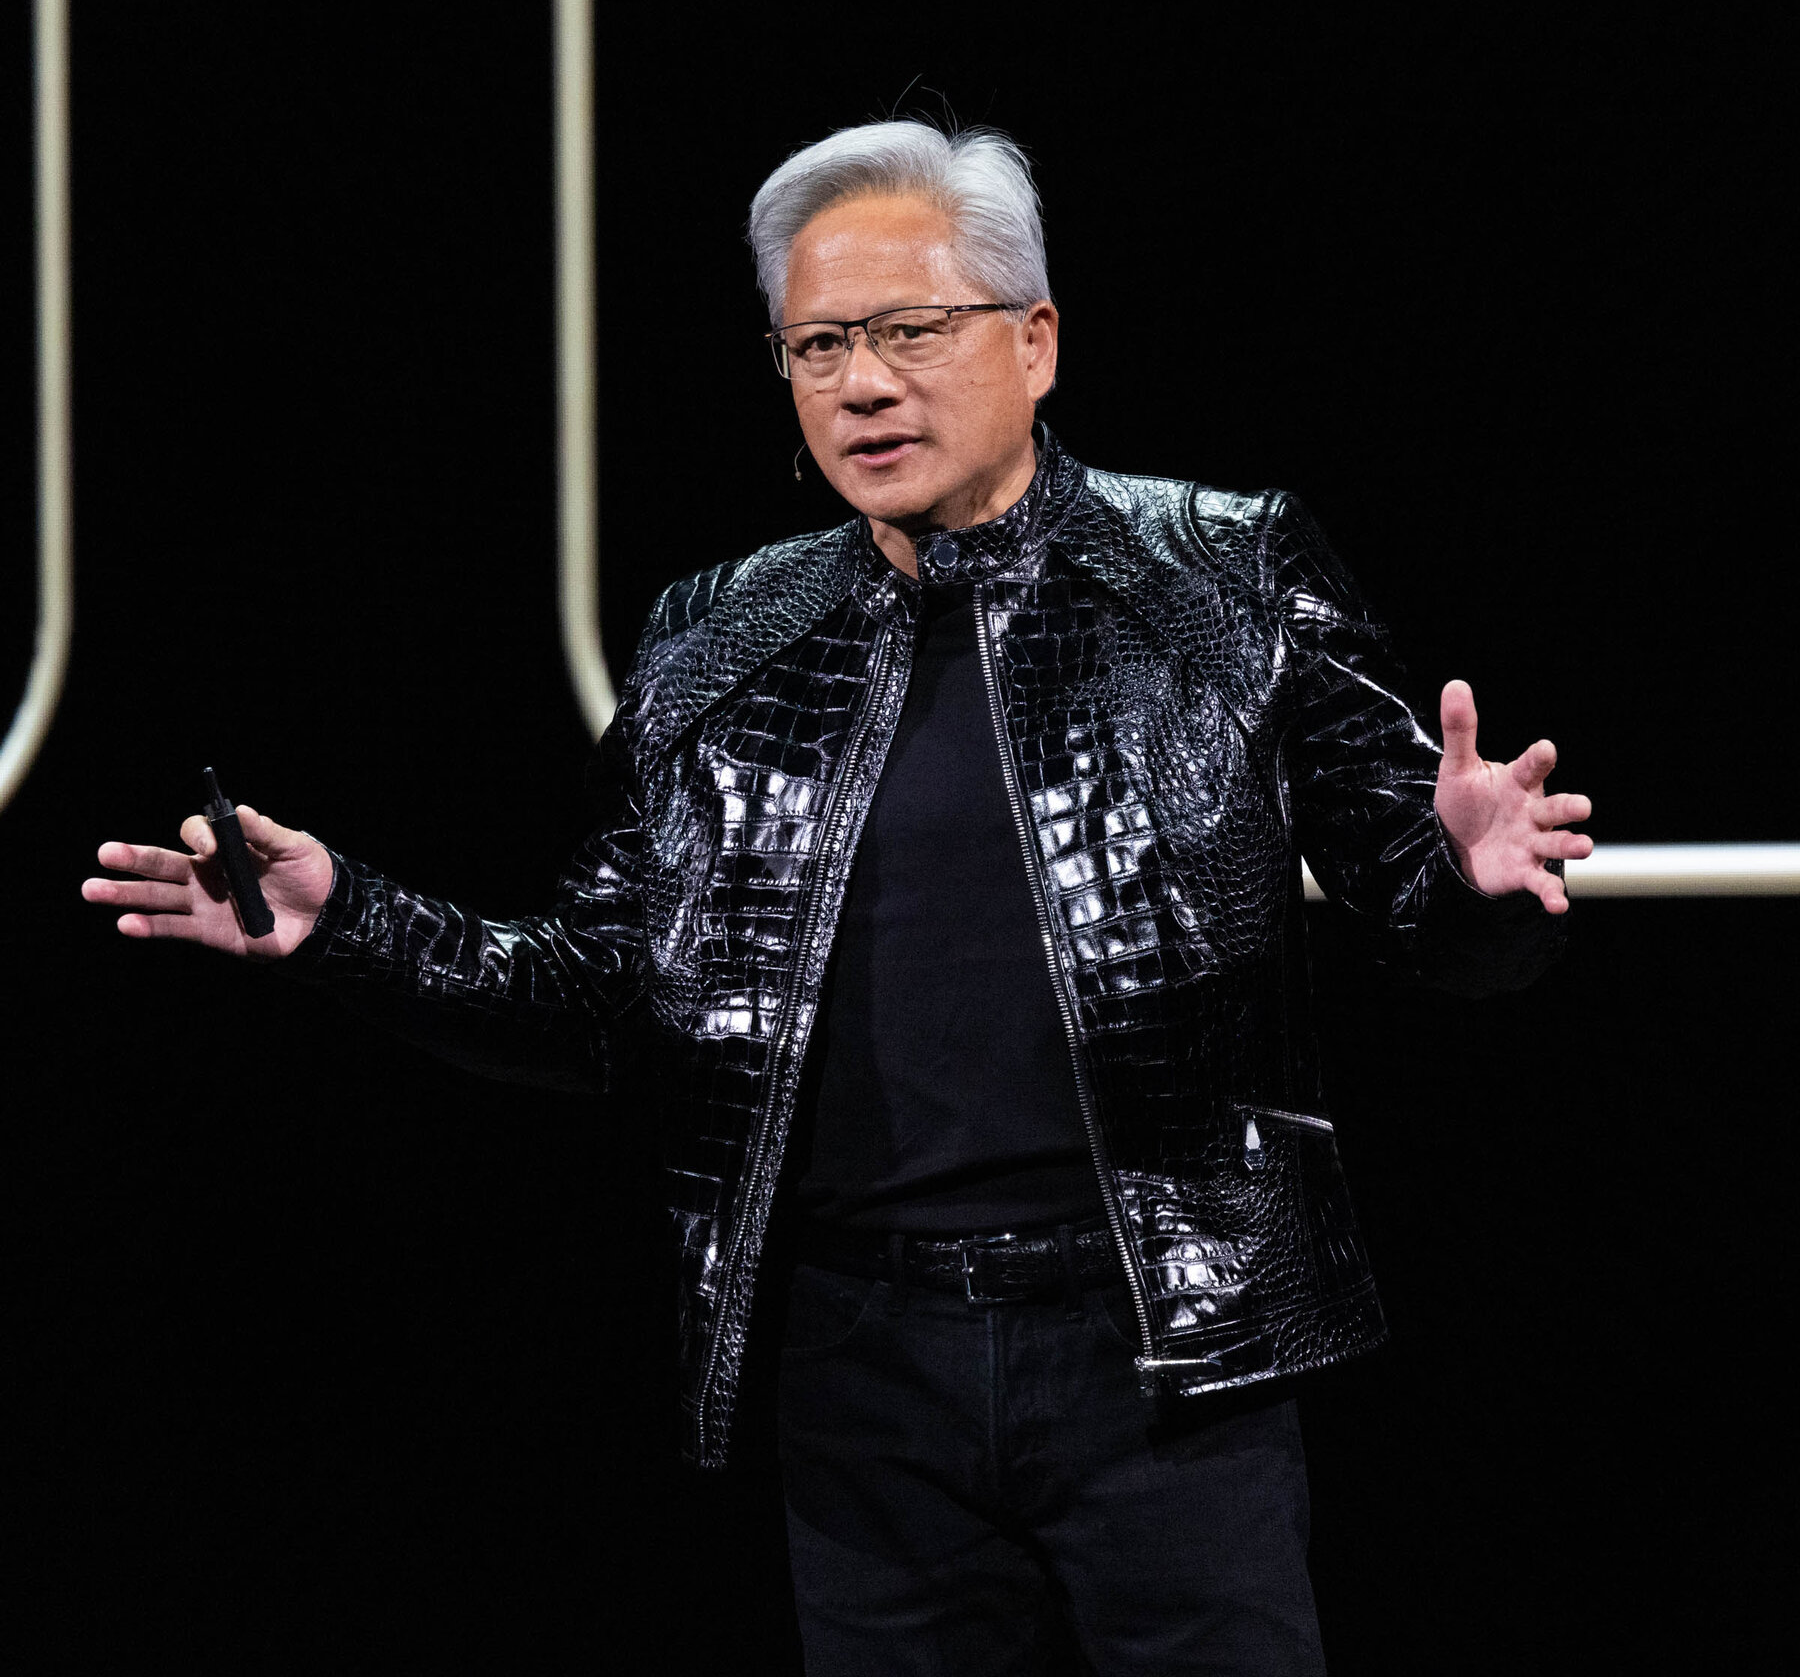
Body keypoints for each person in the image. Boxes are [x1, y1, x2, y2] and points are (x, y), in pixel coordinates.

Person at [82, 121, 1594, 1674]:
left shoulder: (1224, 568)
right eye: (818, 346)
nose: (863, 384)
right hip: (863, 1373)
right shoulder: (719, 635)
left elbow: (1441, 933)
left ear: (1035, 340)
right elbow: (599, 1001)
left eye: (909, 331)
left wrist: (1472, 881)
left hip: (1167, 1353)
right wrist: (349, 922)